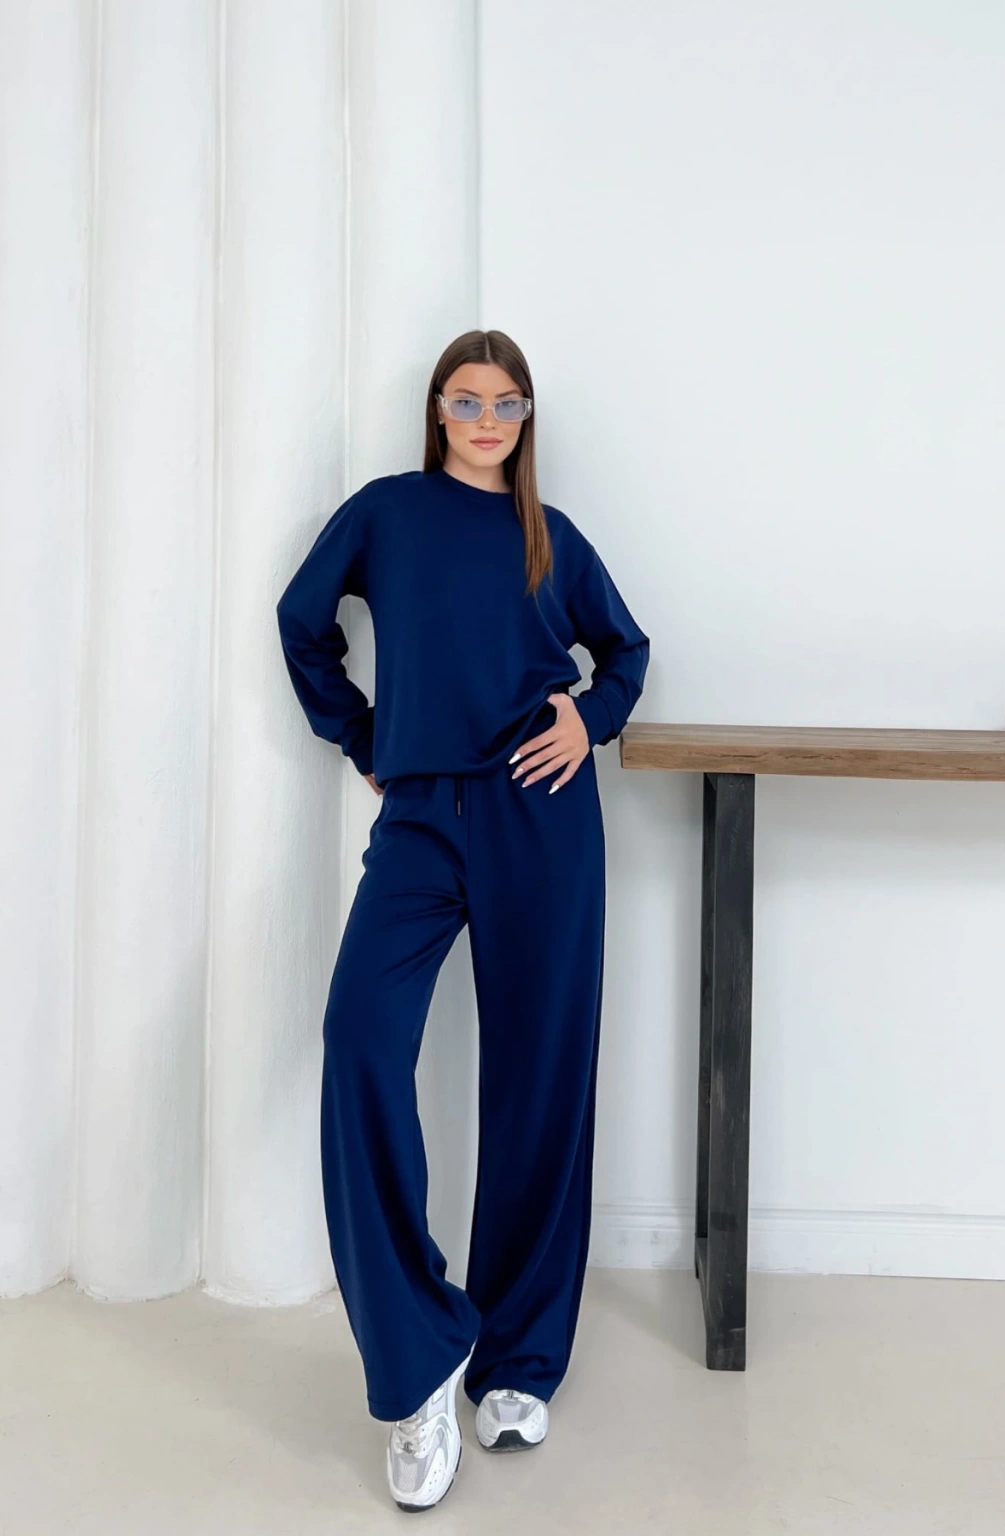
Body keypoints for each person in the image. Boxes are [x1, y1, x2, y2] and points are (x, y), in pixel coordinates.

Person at [276, 328, 649, 1512]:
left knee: (540, 1077)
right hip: (422, 818)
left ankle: (520, 1361)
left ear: (526, 418)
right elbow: (301, 619)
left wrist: (589, 718)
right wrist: (362, 734)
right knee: (358, 1043)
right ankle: (420, 1355)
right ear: (438, 410)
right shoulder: (386, 513)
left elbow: (626, 650)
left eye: (507, 403)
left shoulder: (552, 536)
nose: (487, 420)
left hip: (543, 814)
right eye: (466, 399)